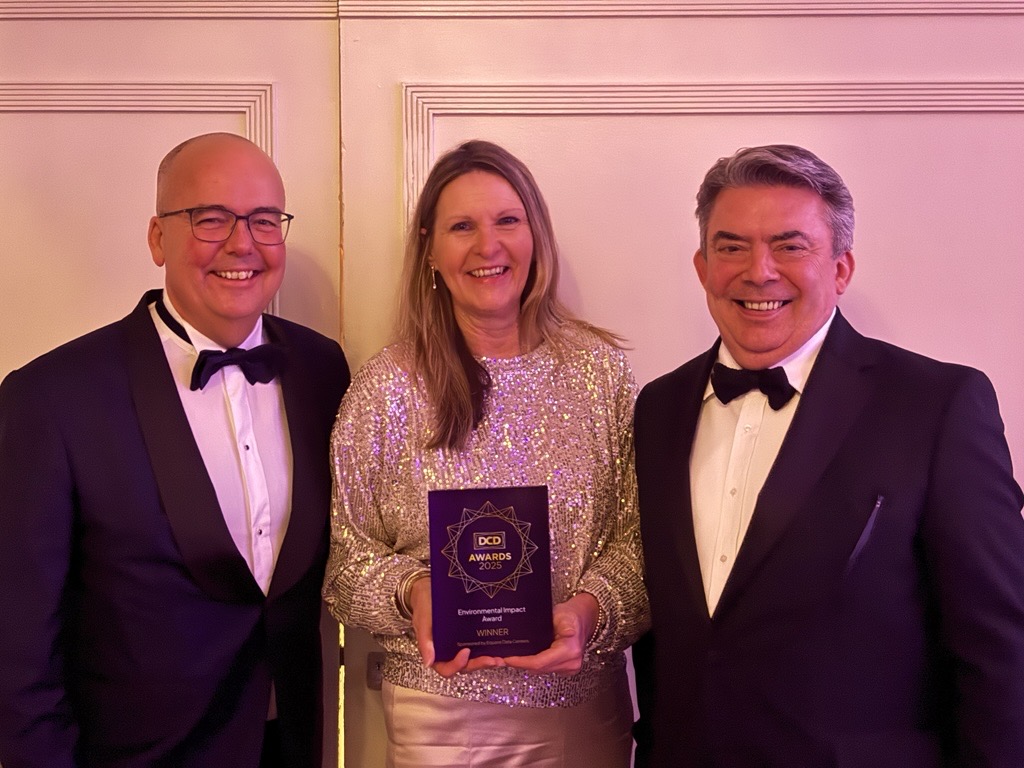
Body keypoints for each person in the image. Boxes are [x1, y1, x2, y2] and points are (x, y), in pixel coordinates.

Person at [632, 143, 1024, 767]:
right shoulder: (658, 408)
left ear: (841, 270)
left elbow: (999, 649)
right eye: (732, 247)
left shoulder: (936, 405)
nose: (759, 271)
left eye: (790, 246)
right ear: (702, 268)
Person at [0, 132, 350, 767]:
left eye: (264, 220)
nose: (242, 244)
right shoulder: (51, 398)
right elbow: (18, 646)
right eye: (211, 219)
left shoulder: (323, 370)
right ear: (158, 238)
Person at [322, 139, 648, 767]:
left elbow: (641, 545)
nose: (487, 246)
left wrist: (590, 613)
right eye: (462, 227)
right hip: (438, 722)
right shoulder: (386, 387)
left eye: (507, 220)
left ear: (536, 235)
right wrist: (413, 590)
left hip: (581, 713)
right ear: (430, 249)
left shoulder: (601, 374)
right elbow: (343, 567)